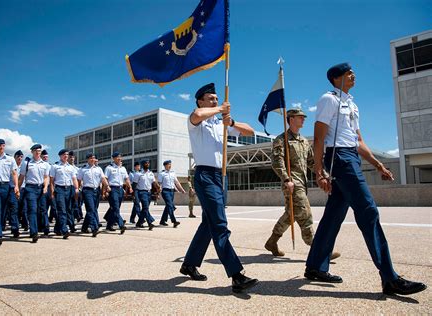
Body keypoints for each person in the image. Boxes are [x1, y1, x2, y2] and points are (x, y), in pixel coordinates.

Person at [304, 63, 427, 296]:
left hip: (350, 156)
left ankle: (315, 267)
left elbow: (358, 141)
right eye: (348, 72)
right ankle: (390, 278)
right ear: (336, 78)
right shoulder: (329, 100)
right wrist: (319, 171)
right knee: (368, 211)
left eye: (353, 72)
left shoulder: (352, 104)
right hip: (339, 157)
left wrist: (379, 165)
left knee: (333, 215)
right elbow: (319, 138)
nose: (353, 75)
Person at [180, 83, 258, 293]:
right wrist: (220, 109)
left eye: (216, 98)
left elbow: (250, 131)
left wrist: (230, 121)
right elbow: (197, 114)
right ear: (201, 101)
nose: (215, 101)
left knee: (209, 223)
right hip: (205, 175)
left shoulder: (220, 123)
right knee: (220, 224)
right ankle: (236, 275)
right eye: (211, 98)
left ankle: (189, 264)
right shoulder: (196, 121)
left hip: (221, 176)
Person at [264, 109, 340, 259]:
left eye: (303, 117)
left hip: (302, 183)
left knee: (291, 215)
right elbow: (277, 161)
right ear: (291, 119)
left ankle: (271, 242)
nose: (303, 119)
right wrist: (286, 179)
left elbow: (312, 162)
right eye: (300, 117)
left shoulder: (304, 141)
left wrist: (322, 174)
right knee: (305, 214)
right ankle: (319, 250)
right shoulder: (282, 139)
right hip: (292, 183)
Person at [18, 144, 50, 243]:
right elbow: (22, 177)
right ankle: (34, 232)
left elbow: (46, 177)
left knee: (42, 210)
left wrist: (45, 187)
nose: (38, 152)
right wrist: (17, 189)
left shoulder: (45, 164)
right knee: (32, 210)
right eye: (36, 150)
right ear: (32, 152)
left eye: (39, 151)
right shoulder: (26, 163)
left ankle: (44, 228)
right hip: (30, 188)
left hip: (41, 188)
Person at [49, 149, 78, 239]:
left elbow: (74, 179)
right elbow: (52, 180)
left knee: (67, 209)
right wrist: (52, 191)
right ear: (60, 156)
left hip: (69, 189)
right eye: (64, 155)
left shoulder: (71, 167)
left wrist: (76, 188)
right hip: (59, 189)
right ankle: (64, 230)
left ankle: (57, 228)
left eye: (67, 155)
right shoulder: (55, 166)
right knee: (62, 210)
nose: (66, 156)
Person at [77, 153, 108, 237]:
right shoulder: (82, 169)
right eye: (90, 158)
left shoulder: (98, 169)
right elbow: (79, 180)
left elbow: (103, 178)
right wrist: (77, 189)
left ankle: (84, 227)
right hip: (87, 191)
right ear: (87, 159)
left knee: (93, 209)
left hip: (96, 191)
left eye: (93, 158)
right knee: (91, 209)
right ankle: (94, 227)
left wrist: (107, 186)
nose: (92, 159)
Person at [103, 152, 131, 234]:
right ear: (113, 158)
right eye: (117, 157)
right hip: (112, 189)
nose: (119, 158)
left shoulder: (123, 168)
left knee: (114, 208)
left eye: (120, 157)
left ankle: (109, 224)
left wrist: (130, 187)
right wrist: (105, 191)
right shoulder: (109, 168)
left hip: (120, 189)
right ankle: (121, 224)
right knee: (115, 208)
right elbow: (105, 179)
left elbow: (126, 178)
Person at [132, 159, 159, 230]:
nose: (147, 164)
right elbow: (134, 185)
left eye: (148, 163)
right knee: (146, 207)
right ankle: (150, 223)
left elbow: (154, 182)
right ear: (142, 165)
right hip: (141, 192)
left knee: (145, 208)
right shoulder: (138, 173)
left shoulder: (151, 173)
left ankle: (139, 222)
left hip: (149, 193)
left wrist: (157, 188)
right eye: (146, 163)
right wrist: (134, 195)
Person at [158, 160, 185, 227]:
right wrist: (158, 193)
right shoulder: (162, 174)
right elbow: (160, 184)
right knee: (170, 205)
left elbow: (177, 182)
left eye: (170, 164)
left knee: (168, 206)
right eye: (168, 164)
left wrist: (182, 190)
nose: (170, 166)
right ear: (165, 165)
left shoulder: (173, 173)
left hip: (172, 191)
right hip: (165, 191)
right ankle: (174, 221)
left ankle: (162, 221)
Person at [68, 151, 83, 225]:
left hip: (76, 189)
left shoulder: (77, 169)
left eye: (73, 157)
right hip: (68, 188)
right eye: (70, 157)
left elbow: (80, 179)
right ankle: (72, 219)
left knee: (77, 204)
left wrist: (79, 187)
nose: (72, 158)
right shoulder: (66, 167)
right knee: (69, 205)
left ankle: (76, 217)